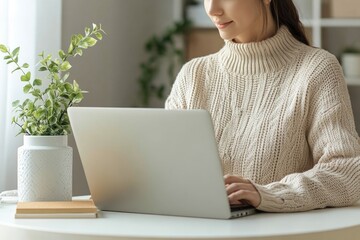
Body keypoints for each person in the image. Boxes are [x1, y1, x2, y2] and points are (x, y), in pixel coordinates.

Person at [165, 0, 360, 212]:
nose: (212, 10)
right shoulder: (193, 75)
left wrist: (269, 195)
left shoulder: (317, 69)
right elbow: (164, 169)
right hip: (196, 229)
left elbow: (347, 171)